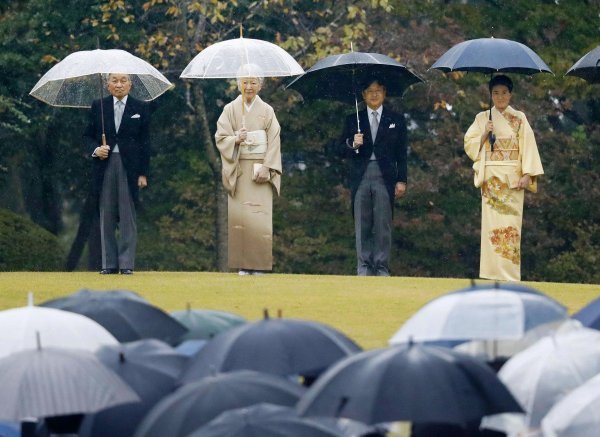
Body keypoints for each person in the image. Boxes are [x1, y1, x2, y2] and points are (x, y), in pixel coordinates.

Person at [464, 75, 543, 282]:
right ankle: (491, 274)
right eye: (496, 93)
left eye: (504, 93)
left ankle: (509, 274)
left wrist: (527, 174)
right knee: (491, 227)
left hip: (512, 180)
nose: (500, 97)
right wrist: (484, 133)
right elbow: (469, 144)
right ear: (490, 95)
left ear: (511, 94)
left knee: (511, 228)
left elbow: (529, 146)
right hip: (491, 180)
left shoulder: (519, 118)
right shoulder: (482, 118)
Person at [214, 64, 282, 275]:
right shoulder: (230, 109)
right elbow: (220, 138)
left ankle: (259, 265)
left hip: (261, 168)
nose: (249, 86)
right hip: (240, 168)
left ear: (260, 85)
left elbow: (274, 140)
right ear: (238, 84)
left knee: (260, 216)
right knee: (240, 218)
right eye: (245, 82)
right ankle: (243, 265)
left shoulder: (267, 110)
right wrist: (237, 138)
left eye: (253, 82)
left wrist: (268, 167)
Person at [338, 78, 408, 276]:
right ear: (363, 95)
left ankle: (381, 267)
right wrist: (353, 143)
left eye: (378, 90)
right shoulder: (353, 119)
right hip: (361, 176)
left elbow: (402, 154)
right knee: (362, 223)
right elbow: (338, 150)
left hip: (385, 177)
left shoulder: (396, 119)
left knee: (383, 223)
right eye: (369, 91)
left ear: (384, 92)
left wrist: (402, 180)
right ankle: (364, 267)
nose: (374, 94)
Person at [83, 73, 151, 275]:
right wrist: (97, 150)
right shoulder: (99, 106)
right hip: (105, 165)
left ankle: (127, 264)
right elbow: (87, 136)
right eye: (114, 81)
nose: (119, 85)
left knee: (128, 214)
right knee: (107, 214)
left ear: (130, 84)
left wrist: (143, 173)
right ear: (108, 85)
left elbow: (145, 142)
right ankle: (109, 264)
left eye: (123, 81)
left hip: (130, 168)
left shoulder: (140, 107)